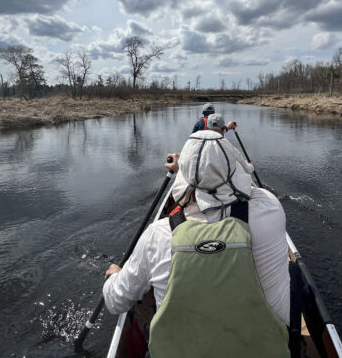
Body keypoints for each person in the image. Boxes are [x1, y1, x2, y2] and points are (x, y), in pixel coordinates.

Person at [103, 132, 290, 357]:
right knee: (294, 273)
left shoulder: (158, 235)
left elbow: (115, 302)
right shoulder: (271, 209)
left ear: (187, 183)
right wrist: (207, 167)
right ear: (233, 173)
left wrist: (114, 276)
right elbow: (247, 189)